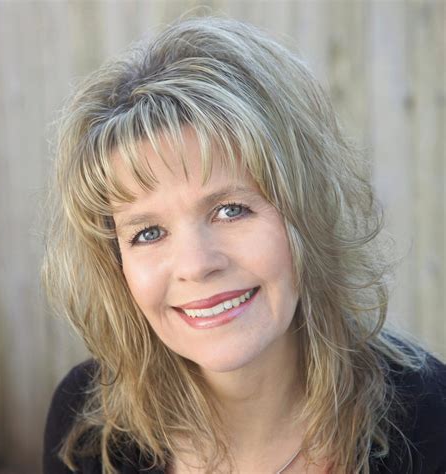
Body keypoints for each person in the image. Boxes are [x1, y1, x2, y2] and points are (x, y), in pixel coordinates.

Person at [41, 15, 446, 474]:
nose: (196, 264)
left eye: (231, 210)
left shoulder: (432, 422)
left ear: (305, 212)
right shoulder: (85, 427)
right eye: (148, 233)